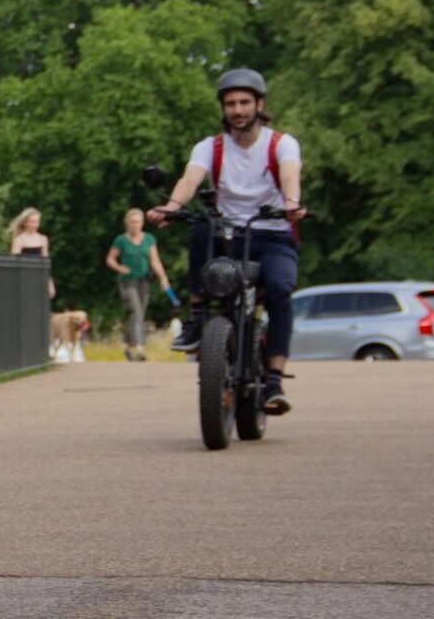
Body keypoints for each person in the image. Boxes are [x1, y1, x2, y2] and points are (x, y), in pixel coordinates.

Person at [146, 68, 305, 413]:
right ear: (223, 108)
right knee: (201, 227)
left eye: (245, 102)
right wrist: (170, 207)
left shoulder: (282, 143)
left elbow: (290, 174)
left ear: (259, 104)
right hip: (229, 235)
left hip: (274, 233)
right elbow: (191, 180)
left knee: (280, 290)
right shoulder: (210, 147)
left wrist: (291, 204)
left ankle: (274, 381)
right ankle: (197, 318)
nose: (238, 110)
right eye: (231, 103)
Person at [104, 208, 174, 361]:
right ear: (127, 223)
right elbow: (110, 259)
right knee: (135, 311)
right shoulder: (121, 240)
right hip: (127, 281)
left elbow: (154, 260)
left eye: (138, 222)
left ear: (142, 223)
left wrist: (163, 278)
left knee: (139, 314)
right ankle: (140, 349)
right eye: (133, 222)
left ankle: (128, 347)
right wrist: (119, 267)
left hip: (144, 280)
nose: (135, 225)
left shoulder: (149, 239)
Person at [8, 207, 56, 300]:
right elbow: (13, 264)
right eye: (33, 222)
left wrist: (50, 284)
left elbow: (46, 264)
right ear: (25, 223)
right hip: (23, 279)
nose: (36, 225)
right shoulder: (19, 240)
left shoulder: (43, 239)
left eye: (37, 222)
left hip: (39, 279)